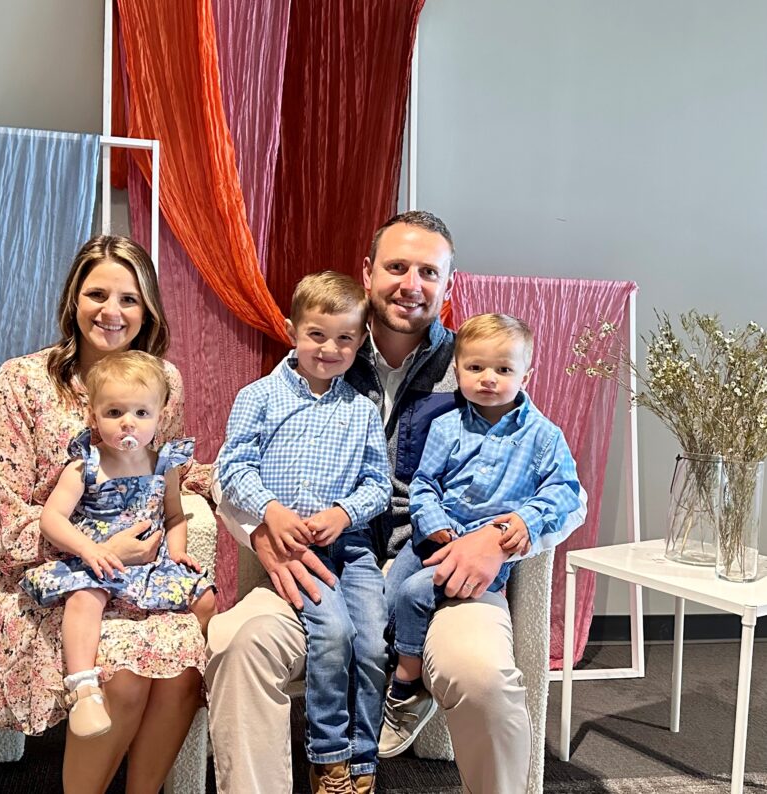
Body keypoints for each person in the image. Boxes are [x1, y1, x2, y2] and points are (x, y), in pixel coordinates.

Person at [205, 211, 587, 794]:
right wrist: (260, 532)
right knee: (239, 642)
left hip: (439, 571)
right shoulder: (325, 349)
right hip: (321, 563)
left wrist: (502, 538)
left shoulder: (476, 364)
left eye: (428, 272)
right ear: (368, 273)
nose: (411, 284)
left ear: (448, 285)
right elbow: (229, 471)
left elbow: (567, 493)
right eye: (397, 267)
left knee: (482, 676)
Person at [0, 236, 213, 794]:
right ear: (73, 299)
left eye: (129, 299)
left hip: (139, 575)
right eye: (97, 294)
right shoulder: (22, 381)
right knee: (125, 676)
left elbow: (161, 469)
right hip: (44, 575)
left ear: (148, 310)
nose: (112, 312)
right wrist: (100, 552)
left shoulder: (163, 378)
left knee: (186, 668)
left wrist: (236, 486)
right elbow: (8, 518)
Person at [216, 272, 391, 794]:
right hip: (296, 548)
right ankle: (329, 756)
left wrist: (344, 512)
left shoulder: (361, 410)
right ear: (292, 330)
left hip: (351, 547)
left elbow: (378, 484)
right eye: (317, 334)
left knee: (373, 641)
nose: (330, 349)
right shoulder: (259, 397)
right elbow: (232, 468)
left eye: (345, 338)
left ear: (360, 341)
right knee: (333, 633)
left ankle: (363, 758)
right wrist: (270, 511)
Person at [378, 313, 581, 759]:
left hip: (484, 551)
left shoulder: (543, 436)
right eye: (475, 368)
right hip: (432, 536)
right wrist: (432, 521)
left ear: (526, 374)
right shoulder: (446, 425)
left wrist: (524, 520)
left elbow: (566, 491)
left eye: (503, 369)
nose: (488, 378)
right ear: (458, 370)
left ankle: (409, 687)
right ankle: (390, 666)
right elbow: (424, 485)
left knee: (413, 594)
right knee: (385, 597)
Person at [20, 350, 216, 740]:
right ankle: (83, 689)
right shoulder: (85, 467)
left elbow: (174, 517)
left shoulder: (164, 466)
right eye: (114, 412)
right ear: (93, 417)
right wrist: (88, 550)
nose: (128, 422)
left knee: (206, 598)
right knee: (84, 598)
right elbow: (52, 518)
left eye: (141, 413)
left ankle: (206, 675)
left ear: (159, 417)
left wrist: (177, 551)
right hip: (100, 559)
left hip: (151, 564)